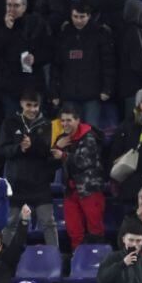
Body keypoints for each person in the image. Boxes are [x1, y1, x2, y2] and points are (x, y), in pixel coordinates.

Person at [0, 89, 57, 248]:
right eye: (28, 105)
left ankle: (55, 259)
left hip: (40, 183)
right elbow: (2, 149)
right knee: (11, 224)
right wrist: (19, 148)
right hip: (16, 183)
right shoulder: (10, 123)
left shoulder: (48, 125)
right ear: (21, 104)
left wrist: (32, 146)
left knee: (49, 223)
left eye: (36, 105)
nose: (32, 109)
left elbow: (49, 152)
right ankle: (3, 259)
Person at [49, 0, 115, 128]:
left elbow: (108, 64)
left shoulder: (100, 34)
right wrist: (54, 92)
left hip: (93, 94)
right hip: (68, 93)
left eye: (82, 17)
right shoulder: (64, 34)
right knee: (68, 131)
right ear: (71, 16)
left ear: (89, 16)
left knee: (91, 130)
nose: (78, 20)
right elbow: (56, 66)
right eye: (75, 17)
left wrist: (107, 89)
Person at [0, 0, 52, 116]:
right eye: (9, 5)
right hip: (9, 85)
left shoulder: (36, 23)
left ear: (24, 7)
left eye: (16, 6)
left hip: (33, 85)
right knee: (13, 125)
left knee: (36, 126)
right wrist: (6, 29)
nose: (12, 9)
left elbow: (49, 50)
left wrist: (35, 58)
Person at [53, 105, 106, 248]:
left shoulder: (89, 136)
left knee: (95, 229)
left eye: (69, 120)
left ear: (78, 121)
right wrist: (57, 146)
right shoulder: (62, 139)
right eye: (62, 121)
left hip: (90, 190)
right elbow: (51, 162)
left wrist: (63, 154)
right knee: (74, 231)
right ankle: (77, 263)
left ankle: (97, 262)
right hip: (70, 191)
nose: (65, 124)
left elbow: (84, 161)